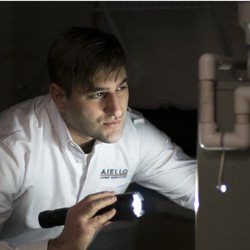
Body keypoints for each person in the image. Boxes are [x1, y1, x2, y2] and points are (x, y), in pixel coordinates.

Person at [0, 27, 196, 250]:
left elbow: (202, 190)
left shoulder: (135, 136)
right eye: (98, 94)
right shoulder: (11, 148)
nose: (117, 109)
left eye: (121, 88)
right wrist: (57, 247)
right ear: (60, 97)